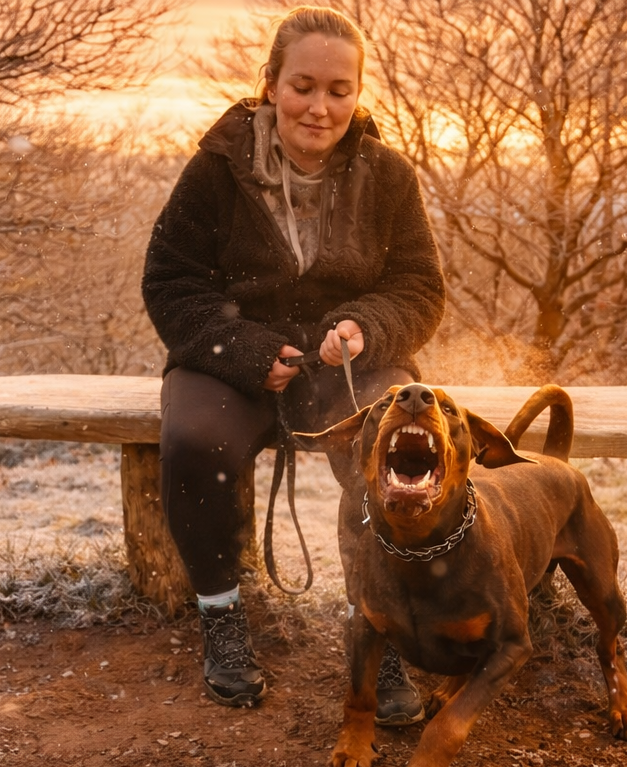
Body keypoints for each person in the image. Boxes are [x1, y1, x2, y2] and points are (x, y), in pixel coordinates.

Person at [141, 6, 445, 720]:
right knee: (194, 443)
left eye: (340, 89)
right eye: (303, 85)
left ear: (359, 91)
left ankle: (384, 627)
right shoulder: (217, 169)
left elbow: (419, 288)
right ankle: (221, 617)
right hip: (230, 357)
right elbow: (171, 282)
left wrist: (363, 327)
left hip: (349, 364)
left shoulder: (389, 176)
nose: (320, 105)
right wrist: (246, 351)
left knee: (393, 446)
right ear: (271, 82)